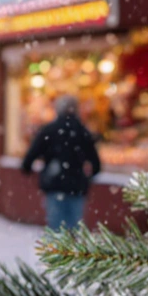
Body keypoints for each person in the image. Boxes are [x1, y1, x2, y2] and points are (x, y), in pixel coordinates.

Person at [20, 94, 102, 231]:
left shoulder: (49, 130)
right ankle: (72, 252)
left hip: (55, 185)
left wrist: (31, 169)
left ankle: (59, 251)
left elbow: (29, 158)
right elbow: (96, 164)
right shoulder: (82, 132)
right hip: (76, 187)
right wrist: (86, 177)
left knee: (56, 230)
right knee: (75, 230)